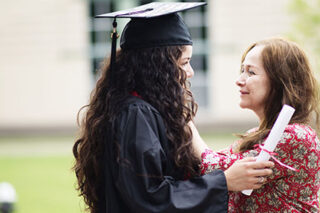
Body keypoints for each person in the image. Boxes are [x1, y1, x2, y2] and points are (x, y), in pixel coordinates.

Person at [72, 3, 274, 213]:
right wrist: (223, 182)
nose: (191, 71)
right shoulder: (135, 114)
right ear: (159, 66)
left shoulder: (143, 109)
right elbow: (148, 197)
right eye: (184, 62)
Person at [198, 37, 320, 212]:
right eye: (242, 70)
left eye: (251, 73)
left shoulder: (297, 137)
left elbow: (213, 168)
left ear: (280, 81)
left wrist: (184, 120)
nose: (239, 80)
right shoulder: (257, 134)